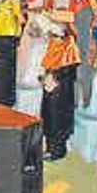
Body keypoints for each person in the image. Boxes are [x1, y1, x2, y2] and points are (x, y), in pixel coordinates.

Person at [39, 17, 80, 161]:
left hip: (61, 91)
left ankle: (57, 151)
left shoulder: (69, 46)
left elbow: (69, 71)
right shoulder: (54, 43)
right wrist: (45, 77)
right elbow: (47, 64)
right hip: (49, 87)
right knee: (48, 117)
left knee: (57, 120)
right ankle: (49, 147)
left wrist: (55, 78)